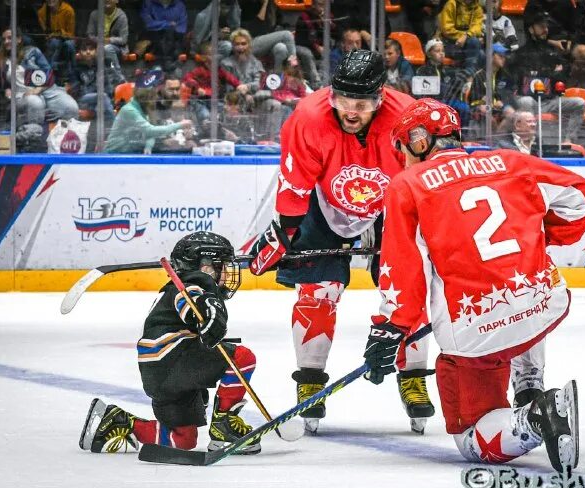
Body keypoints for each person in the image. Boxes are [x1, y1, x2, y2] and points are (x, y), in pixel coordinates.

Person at [361, 99, 585, 470]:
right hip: (543, 301)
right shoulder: (510, 161)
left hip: (477, 332)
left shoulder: (407, 185)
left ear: (420, 141)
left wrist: (391, 329)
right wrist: (535, 240)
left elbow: (403, 271)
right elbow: (582, 197)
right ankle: (529, 382)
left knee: (473, 438)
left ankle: (538, 415)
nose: (402, 159)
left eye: (403, 148)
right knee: (521, 300)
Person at [246, 50, 429, 434]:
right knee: (317, 291)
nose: (349, 110)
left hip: (392, 205)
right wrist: (287, 233)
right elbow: (295, 185)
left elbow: (424, 181)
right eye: (342, 100)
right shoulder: (308, 118)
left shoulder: (408, 118)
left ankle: (413, 377)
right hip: (323, 201)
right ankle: (310, 382)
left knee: (407, 289)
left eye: (360, 104)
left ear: (380, 98)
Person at [79, 232, 262, 455]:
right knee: (242, 357)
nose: (226, 273)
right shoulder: (189, 287)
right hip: (173, 361)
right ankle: (224, 426)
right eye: (221, 265)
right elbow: (196, 303)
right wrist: (212, 313)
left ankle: (119, 422)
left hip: (159, 373)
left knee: (183, 439)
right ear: (205, 267)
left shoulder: (177, 288)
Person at [508, 13, 585, 144]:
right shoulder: (521, 53)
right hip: (529, 100)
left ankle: (568, 141)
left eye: (546, 26)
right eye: (541, 26)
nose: (545, 29)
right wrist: (550, 73)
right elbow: (522, 79)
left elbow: (562, 78)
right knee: (526, 101)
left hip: (549, 101)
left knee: (579, 103)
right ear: (531, 29)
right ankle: (532, 141)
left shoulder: (553, 52)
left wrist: (544, 74)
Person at [105, 70, 192, 153]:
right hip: (113, 154)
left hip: (130, 152)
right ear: (145, 98)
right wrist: (180, 125)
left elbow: (150, 135)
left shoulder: (142, 110)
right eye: (152, 98)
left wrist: (148, 146)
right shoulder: (130, 110)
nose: (154, 100)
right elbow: (150, 130)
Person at [438, 0, 485, 75]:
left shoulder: (477, 8)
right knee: (476, 46)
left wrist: (466, 36)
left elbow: (477, 28)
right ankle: (469, 77)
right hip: (449, 42)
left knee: (482, 54)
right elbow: (447, 30)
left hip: (469, 43)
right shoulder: (451, 4)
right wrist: (464, 36)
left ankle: (473, 78)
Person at [140, 0, 188, 72]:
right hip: (154, 41)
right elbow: (148, 24)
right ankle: (161, 65)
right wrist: (167, 24)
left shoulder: (180, 5)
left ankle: (169, 65)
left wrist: (160, 25)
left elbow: (182, 28)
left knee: (171, 34)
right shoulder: (148, 3)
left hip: (174, 42)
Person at [37, 0, 76, 83]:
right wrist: (52, 36)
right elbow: (45, 34)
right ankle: (48, 75)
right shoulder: (42, 12)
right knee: (54, 42)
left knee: (70, 44)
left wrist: (59, 33)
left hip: (66, 39)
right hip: (52, 41)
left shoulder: (68, 10)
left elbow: (71, 34)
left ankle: (73, 75)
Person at [86, 0, 129, 76]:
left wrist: (109, 40)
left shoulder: (121, 16)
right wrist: (100, 41)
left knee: (107, 48)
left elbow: (123, 39)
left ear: (116, 1)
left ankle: (118, 76)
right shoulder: (94, 15)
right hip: (97, 45)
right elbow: (90, 35)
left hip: (117, 48)